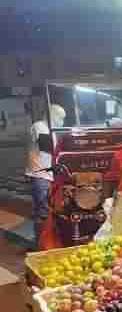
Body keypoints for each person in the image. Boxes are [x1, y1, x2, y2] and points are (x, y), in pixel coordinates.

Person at [26, 104, 66, 246]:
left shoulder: (50, 130)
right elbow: (48, 146)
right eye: (61, 118)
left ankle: (48, 241)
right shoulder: (39, 126)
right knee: (42, 211)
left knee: (49, 210)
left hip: (48, 175)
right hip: (40, 175)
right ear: (51, 115)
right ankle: (40, 244)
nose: (62, 122)